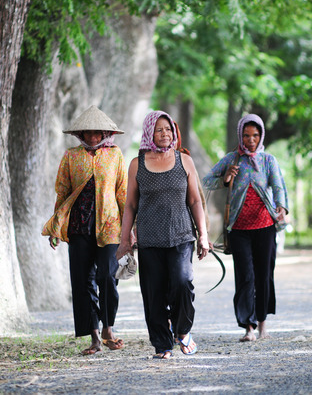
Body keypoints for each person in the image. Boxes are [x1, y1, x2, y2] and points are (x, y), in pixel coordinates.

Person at [116, 110, 210, 359]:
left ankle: (182, 330)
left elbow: (195, 201)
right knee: (153, 293)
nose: (165, 134)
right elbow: (130, 206)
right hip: (149, 238)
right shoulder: (137, 163)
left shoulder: (184, 161)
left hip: (181, 235)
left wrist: (203, 235)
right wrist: (125, 240)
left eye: (168, 129)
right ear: (149, 133)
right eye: (159, 130)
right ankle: (162, 344)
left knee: (182, 282)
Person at [42, 105, 128, 354]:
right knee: (83, 281)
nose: (92, 137)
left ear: (104, 134)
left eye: (97, 133)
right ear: (80, 134)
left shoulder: (115, 155)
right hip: (79, 227)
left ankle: (108, 326)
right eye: (87, 133)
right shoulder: (71, 156)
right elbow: (62, 192)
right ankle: (94, 337)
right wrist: (57, 226)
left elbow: (122, 193)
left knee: (108, 277)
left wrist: (129, 230)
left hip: (109, 226)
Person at [203, 113, 288, 342]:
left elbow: (278, 186)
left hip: (265, 227)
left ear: (261, 136)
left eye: (255, 135)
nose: (251, 140)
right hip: (238, 229)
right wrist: (225, 178)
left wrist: (282, 207)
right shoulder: (232, 159)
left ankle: (262, 326)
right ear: (240, 135)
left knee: (264, 276)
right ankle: (247, 328)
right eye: (247, 135)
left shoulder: (268, 160)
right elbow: (205, 180)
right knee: (245, 277)